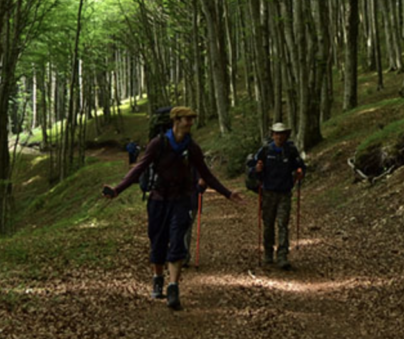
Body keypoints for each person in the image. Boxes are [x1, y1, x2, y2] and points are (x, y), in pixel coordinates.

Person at [102, 106, 243, 310]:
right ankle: (158, 278)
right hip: (158, 200)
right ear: (176, 121)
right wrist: (117, 190)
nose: (190, 123)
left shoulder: (192, 148)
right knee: (158, 242)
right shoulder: (158, 144)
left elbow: (207, 174)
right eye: (187, 119)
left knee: (177, 241)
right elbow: (139, 169)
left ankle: (173, 287)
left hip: (181, 200)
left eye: (192, 120)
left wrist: (228, 193)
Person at [253, 122, 306, 270]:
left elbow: (300, 166)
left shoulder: (291, 151)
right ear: (272, 135)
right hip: (268, 192)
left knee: (283, 224)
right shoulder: (265, 150)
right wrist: (256, 169)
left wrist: (300, 172)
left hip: (284, 193)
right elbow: (252, 166)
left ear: (286, 135)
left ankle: (282, 255)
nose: (279, 136)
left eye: (282, 133)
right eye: (276, 133)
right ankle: (268, 252)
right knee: (268, 224)